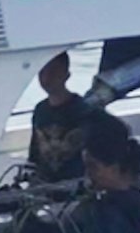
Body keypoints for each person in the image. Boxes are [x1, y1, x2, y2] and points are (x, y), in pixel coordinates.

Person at [27, 53, 94, 183]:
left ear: (66, 75)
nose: (46, 78)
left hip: (76, 184)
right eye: (42, 72)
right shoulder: (40, 110)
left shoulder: (83, 109)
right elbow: (35, 152)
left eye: (53, 72)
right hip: (45, 184)